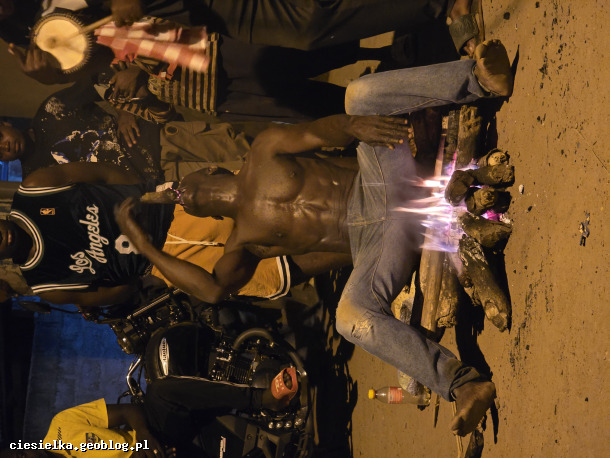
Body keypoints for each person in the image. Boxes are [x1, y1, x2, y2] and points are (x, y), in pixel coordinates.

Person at [116, 39, 514, 436]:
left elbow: (319, 132)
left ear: (209, 170)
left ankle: (478, 79)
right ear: (211, 216)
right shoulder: (244, 242)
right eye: (180, 200)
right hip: (380, 246)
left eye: (180, 186)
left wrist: (351, 125)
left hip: (381, 181)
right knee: (349, 319)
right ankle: (462, 384)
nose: (181, 194)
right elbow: (213, 290)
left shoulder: (263, 151)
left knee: (357, 96)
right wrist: (146, 247)